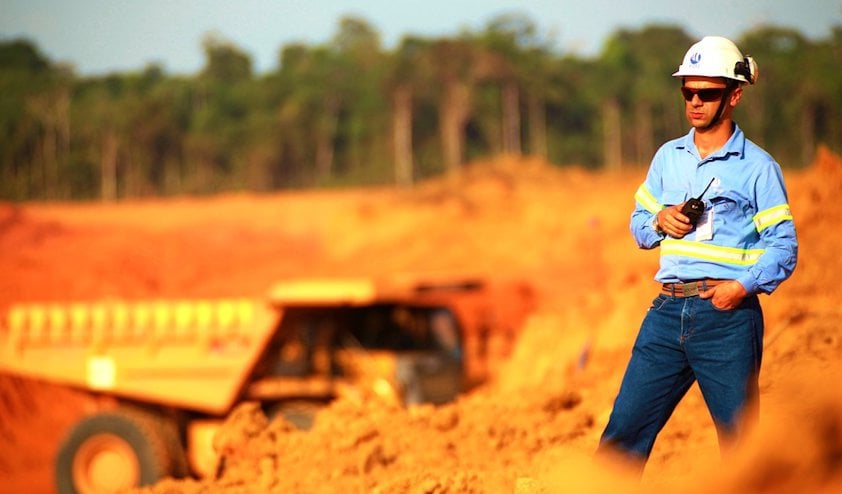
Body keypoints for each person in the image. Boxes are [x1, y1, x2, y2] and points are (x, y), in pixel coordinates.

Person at [596, 36, 798, 470]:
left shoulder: (758, 167)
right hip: (666, 312)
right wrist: (658, 221)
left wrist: (739, 288)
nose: (694, 102)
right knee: (623, 432)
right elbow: (637, 226)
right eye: (687, 91)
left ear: (734, 96)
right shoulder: (668, 157)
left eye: (706, 93)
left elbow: (784, 247)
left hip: (726, 318)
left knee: (742, 446)